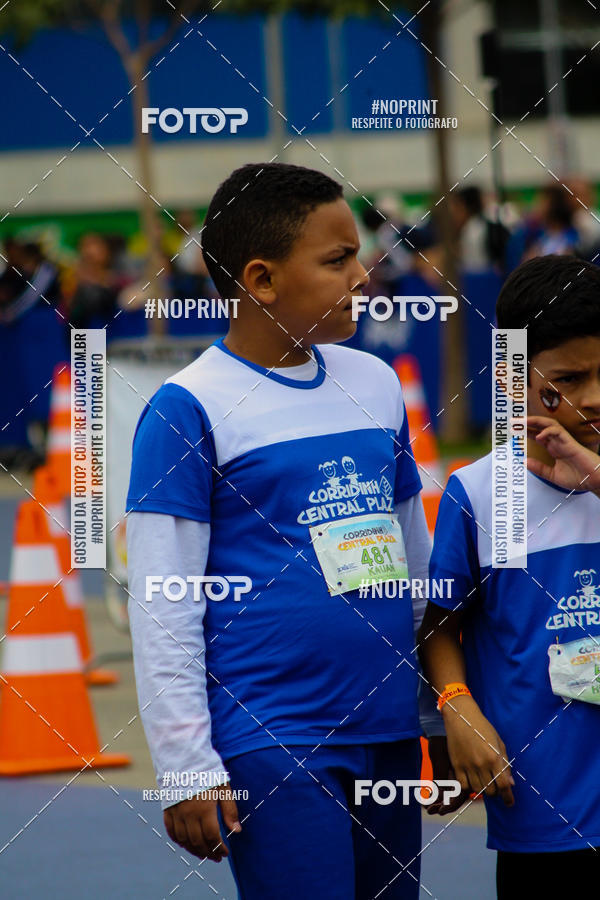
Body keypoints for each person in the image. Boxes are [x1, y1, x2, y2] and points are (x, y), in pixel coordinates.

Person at [126, 162, 450, 900]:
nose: (363, 277)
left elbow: (414, 560)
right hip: (275, 738)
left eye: (359, 256)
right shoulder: (189, 409)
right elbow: (163, 601)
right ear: (262, 281)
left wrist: (437, 710)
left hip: (389, 729)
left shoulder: (374, 383)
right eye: (337, 261)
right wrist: (186, 766)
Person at [418, 254, 600, 899]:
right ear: (512, 379)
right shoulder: (482, 494)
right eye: (569, 379)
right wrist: (455, 712)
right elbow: (439, 626)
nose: (594, 397)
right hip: (545, 807)